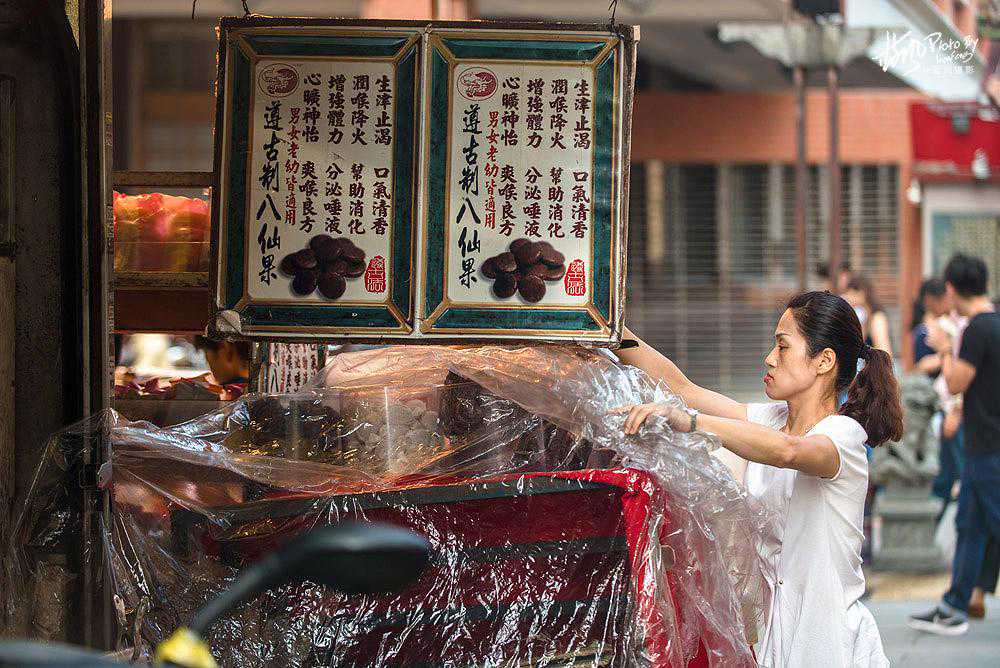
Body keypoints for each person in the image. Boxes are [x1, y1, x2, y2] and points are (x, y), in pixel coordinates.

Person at [615, 291, 902, 667]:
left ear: (824, 361)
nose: (770, 357)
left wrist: (691, 422)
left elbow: (789, 452)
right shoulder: (768, 421)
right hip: (775, 638)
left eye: (783, 346)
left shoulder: (843, 436)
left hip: (831, 643)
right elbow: (681, 388)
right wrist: (604, 326)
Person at [909, 254, 1000, 635]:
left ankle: (956, 604)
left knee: (987, 521)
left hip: (986, 445)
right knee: (970, 523)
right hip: (985, 442)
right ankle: (955, 604)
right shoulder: (994, 321)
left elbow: (957, 383)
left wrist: (946, 347)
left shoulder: (978, 328)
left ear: (950, 288)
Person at [842, 274, 893, 357]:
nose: (848, 298)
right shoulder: (862, 316)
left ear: (862, 293)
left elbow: (885, 353)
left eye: (850, 294)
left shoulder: (877, 318)